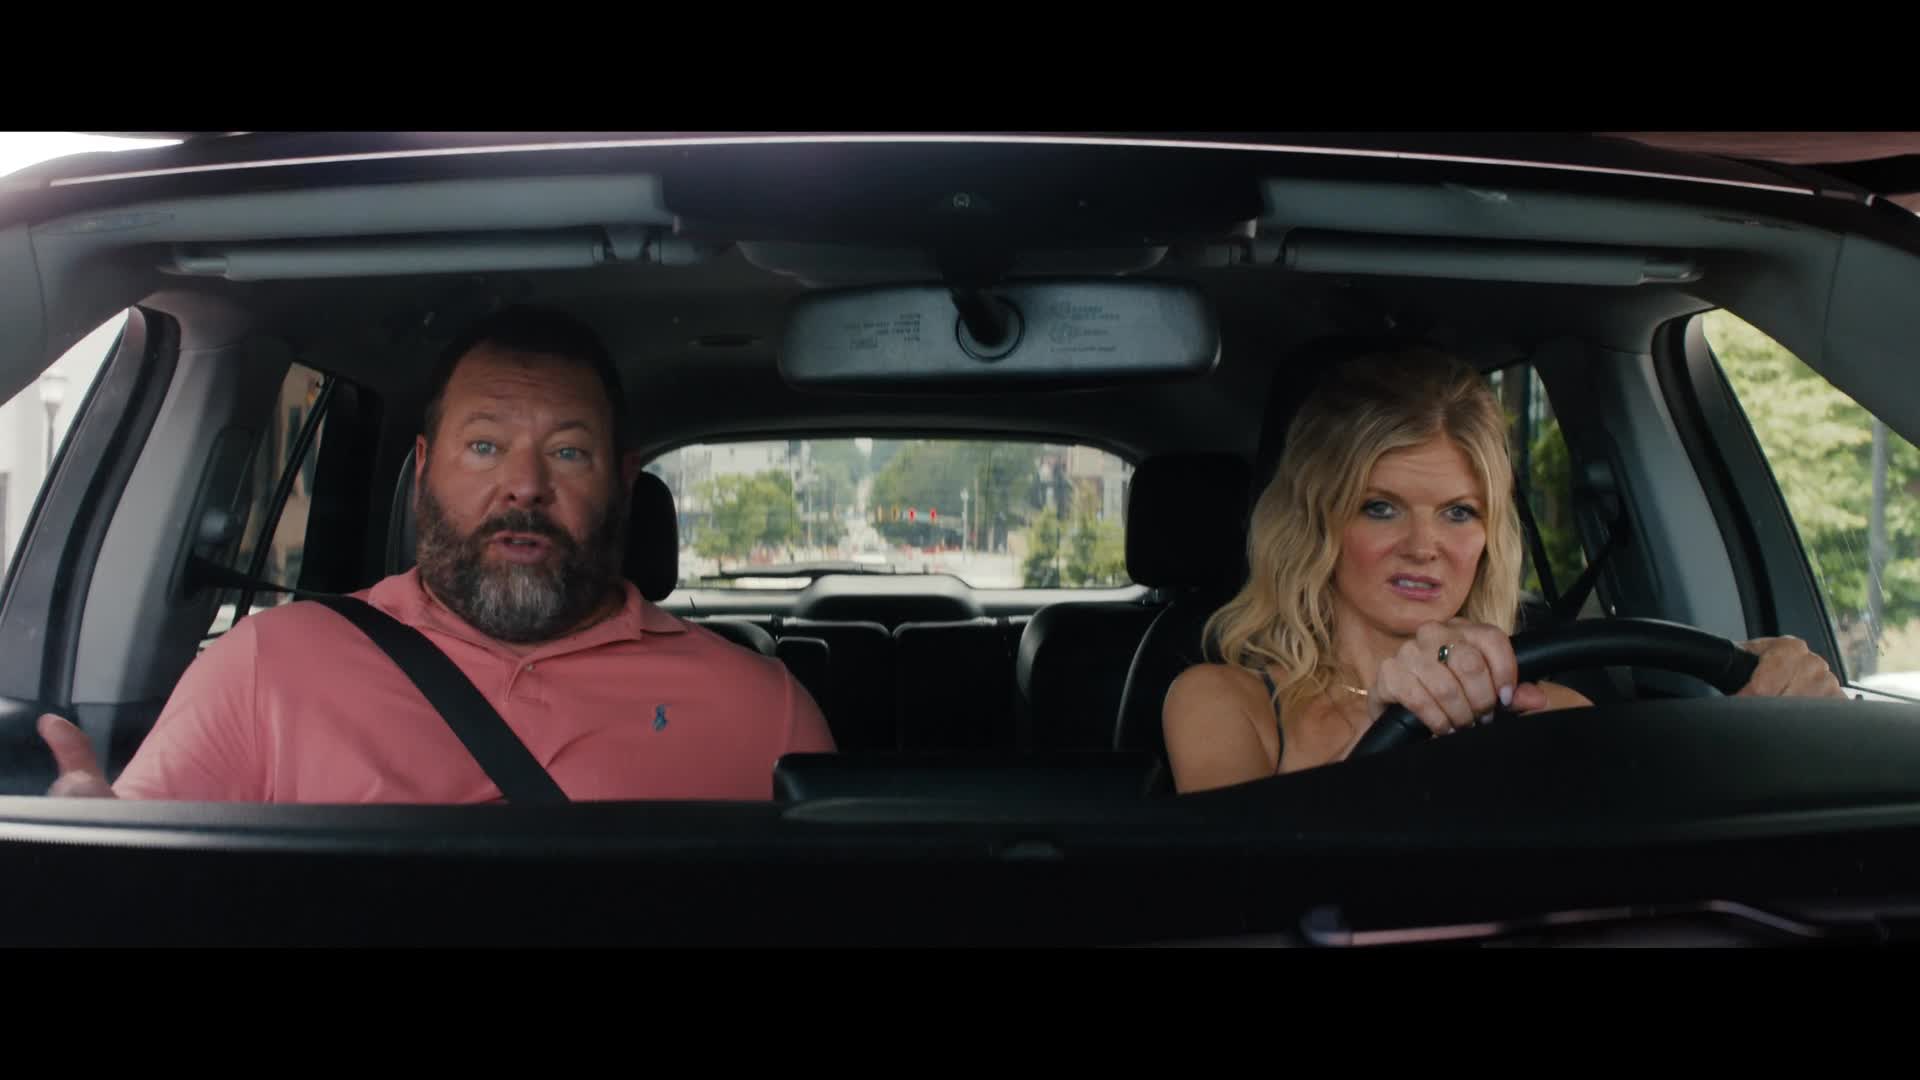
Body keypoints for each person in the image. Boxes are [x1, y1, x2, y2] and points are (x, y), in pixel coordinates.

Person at [37, 305, 835, 802]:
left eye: (567, 453)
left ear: (624, 484)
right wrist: (90, 869)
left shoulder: (764, 711)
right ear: (424, 470)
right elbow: (153, 899)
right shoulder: (263, 672)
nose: (524, 486)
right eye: (484, 446)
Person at [1162, 347, 1843, 794]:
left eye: (1458, 513)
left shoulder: (1555, 711)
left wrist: (1791, 728)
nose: (1424, 546)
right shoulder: (1224, 702)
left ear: (1489, 536)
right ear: (1317, 524)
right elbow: (1240, 895)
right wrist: (1385, 735)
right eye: (1380, 507)